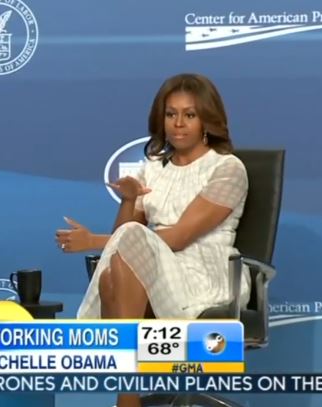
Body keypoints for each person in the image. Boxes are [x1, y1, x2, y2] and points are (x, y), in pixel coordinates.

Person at [56, 73, 250, 407]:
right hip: (150, 267)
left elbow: (179, 236)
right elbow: (125, 239)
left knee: (121, 261)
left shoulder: (227, 169)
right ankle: (129, 394)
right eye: (170, 114)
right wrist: (130, 201)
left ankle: (126, 398)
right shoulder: (153, 169)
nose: (178, 123)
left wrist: (93, 241)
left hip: (204, 273)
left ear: (206, 120)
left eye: (189, 114)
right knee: (115, 270)